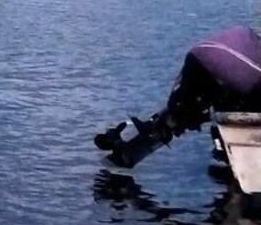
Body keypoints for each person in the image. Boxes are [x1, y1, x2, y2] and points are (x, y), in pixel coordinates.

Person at [94, 25, 261, 168]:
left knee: (182, 112)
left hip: (209, 54)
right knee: (230, 113)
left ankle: (128, 149)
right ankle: (233, 153)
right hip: (219, 64)